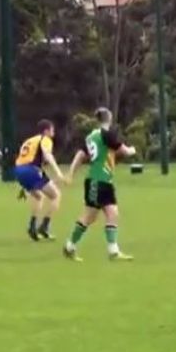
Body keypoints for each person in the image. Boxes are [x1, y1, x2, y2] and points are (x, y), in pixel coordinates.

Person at [63, 108, 137, 262]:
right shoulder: (106, 134)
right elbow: (124, 151)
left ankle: (112, 251)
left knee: (111, 213)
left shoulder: (91, 136)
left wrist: (71, 173)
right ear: (109, 118)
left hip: (101, 180)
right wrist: (132, 150)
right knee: (90, 216)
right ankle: (70, 247)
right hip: (98, 180)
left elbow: (80, 156)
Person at [14, 119, 69, 241]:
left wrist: (23, 184)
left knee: (39, 196)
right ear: (46, 131)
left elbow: (25, 159)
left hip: (19, 170)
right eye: (52, 129)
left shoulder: (30, 140)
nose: (53, 132)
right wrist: (58, 173)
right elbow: (47, 155)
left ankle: (32, 227)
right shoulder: (45, 139)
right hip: (31, 170)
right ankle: (44, 227)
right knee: (56, 195)